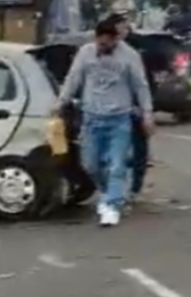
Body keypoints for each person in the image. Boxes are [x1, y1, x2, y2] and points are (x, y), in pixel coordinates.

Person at [54, 18, 155, 227]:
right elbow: (73, 79)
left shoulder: (130, 56)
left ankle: (112, 206)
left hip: (119, 118)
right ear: (96, 38)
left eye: (108, 44)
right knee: (90, 165)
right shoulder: (85, 53)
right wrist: (61, 102)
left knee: (117, 165)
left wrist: (147, 114)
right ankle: (108, 193)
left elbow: (141, 86)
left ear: (116, 40)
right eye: (101, 43)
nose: (104, 47)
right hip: (91, 118)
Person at [105, 12, 153, 196]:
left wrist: (146, 109)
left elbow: (144, 82)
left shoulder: (137, 48)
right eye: (122, 26)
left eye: (127, 26)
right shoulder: (103, 49)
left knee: (139, 147)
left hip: (135, 108)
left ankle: (135, 186)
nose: (126, 29)